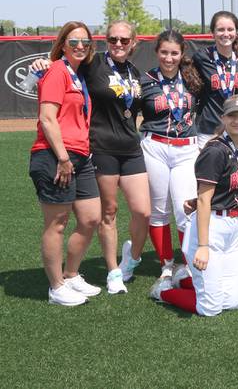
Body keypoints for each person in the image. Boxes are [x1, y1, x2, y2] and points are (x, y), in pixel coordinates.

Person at [29, 21, 150, 294]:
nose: (118, 44)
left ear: (133, 43)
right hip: (98, 147)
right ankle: (109, 272)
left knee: (138, 212)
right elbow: (60, 66)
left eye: (123, 40)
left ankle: (120, 261)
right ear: (106, 41)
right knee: (102, 213)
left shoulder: (133, 71)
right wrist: (41, 63)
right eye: (113, 39)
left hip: (126, 148)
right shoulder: (92, 64)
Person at [151, 96, 238, 316]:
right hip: (212, 227)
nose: (237, 120)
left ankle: (184, 280)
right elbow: (205, 200)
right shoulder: (215, 150)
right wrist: (203, 246)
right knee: (210, 308)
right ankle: (163, 292)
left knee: (231, 303)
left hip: (232, 227)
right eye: (232, 116)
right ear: (223, 118)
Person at [29, 21, 101, 306]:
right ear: (62, 45)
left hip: (80, 156)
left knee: (91, 217)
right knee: (57, 223)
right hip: (55, 155)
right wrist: (61, 158)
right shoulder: (57, 71)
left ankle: (71, 275)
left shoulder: (77, 74)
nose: (80, 46)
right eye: (74, 42)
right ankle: (56, 286)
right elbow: (48, 118)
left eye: (85, 42)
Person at [139, 30, 203, 282]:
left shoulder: (192, 78)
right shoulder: (144, 80)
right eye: (164, 52)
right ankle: (166, 263)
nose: (168, 58)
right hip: (155, 146)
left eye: (174, 53)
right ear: (157, 53)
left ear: (182, 53)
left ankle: (188, 262)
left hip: (186, 148)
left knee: (184, 208)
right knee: (158, 210)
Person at [192, 10, 238, 148]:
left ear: (237, 32)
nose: (226, 34)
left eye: (230, 29)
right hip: (210, 128)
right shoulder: (201, 57)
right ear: (212, 32)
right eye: (220, 29)